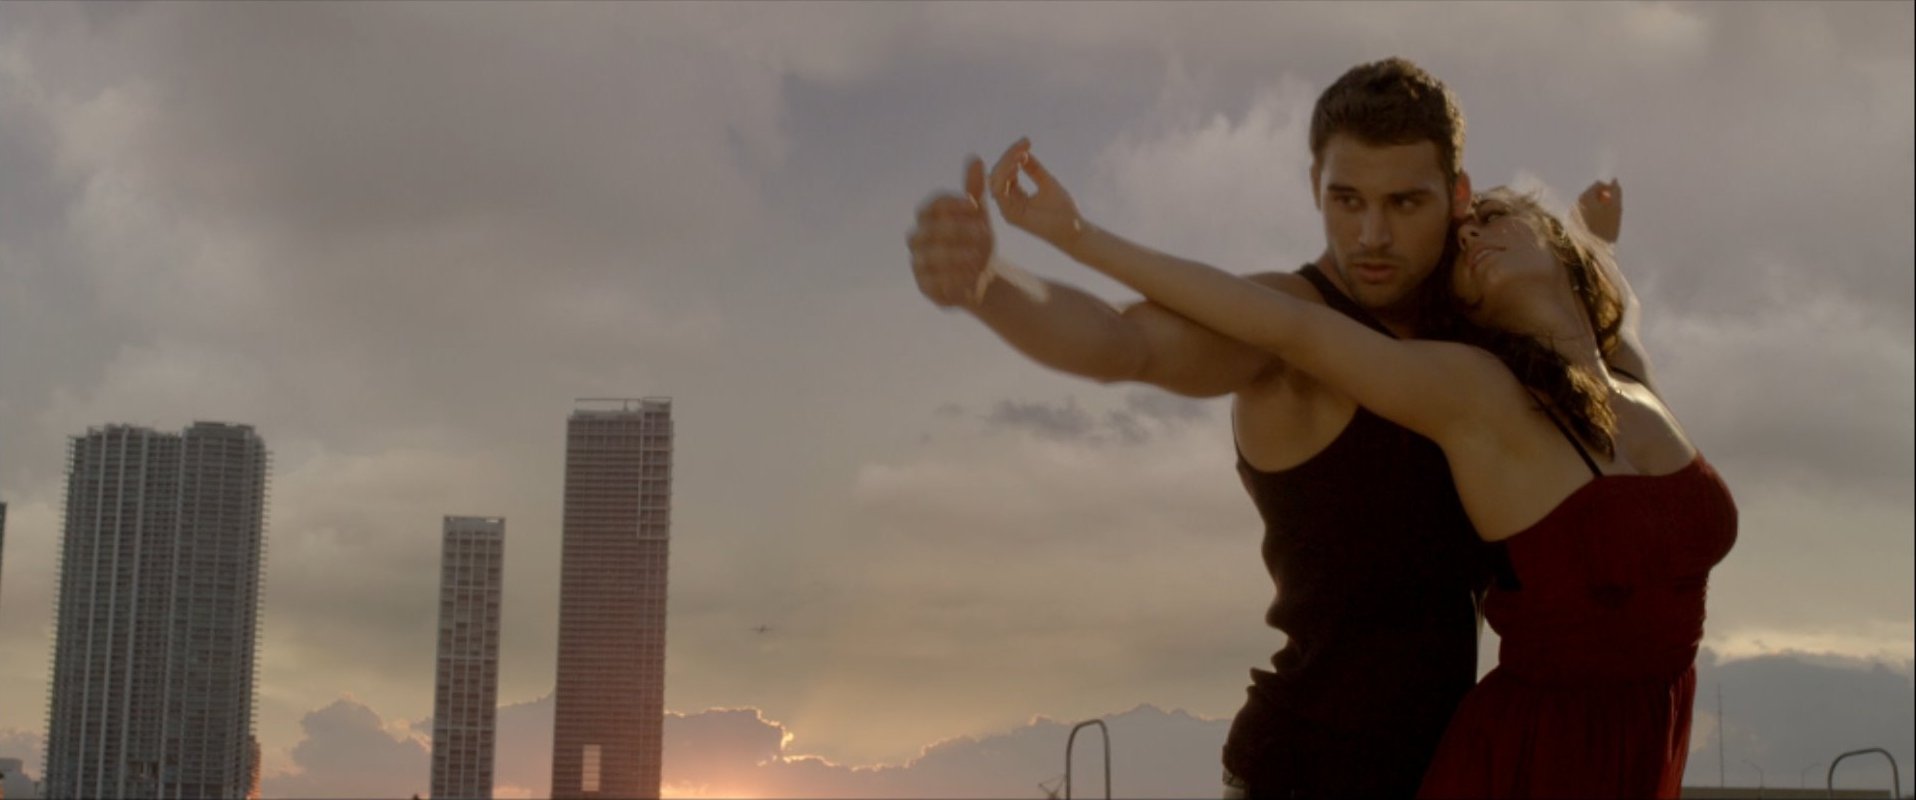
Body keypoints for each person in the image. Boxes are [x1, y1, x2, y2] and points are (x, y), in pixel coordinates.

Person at [977, 127, 1737, 796]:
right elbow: (1290, 328)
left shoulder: (1627, 377)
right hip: (1531, 760)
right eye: (1461, 249)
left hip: (1646, 743)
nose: (1472, 240)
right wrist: (1079, 235)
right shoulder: (1477, 394)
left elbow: (1604, 306)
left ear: (1557, 246)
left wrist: (1598, 237)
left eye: (1491, 220)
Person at [910, 58, 1600, 797]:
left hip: (1451, 770)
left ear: (1458, 197)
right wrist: (990, 288)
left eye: (1404, 203)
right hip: (1301, 771)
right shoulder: (1283, 324)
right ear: (1315, 188)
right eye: (1346, 200)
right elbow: (1126, 342)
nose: (1372, 235)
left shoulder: (1472, 327)